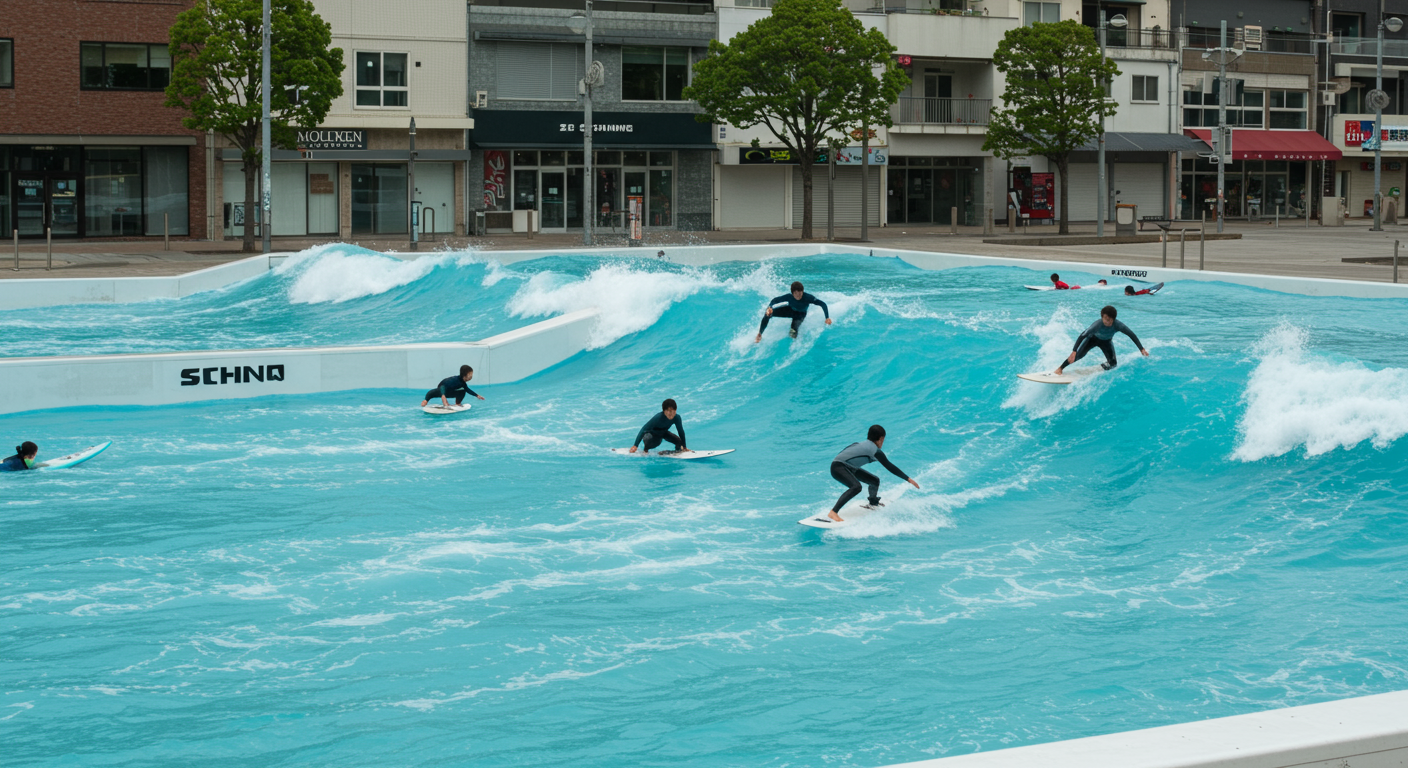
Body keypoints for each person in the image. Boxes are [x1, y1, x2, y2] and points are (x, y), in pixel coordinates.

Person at [826, 425, 920, 522]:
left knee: (874, 480)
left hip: (844, 466)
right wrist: (908, 479)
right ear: (881, 438)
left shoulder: (861, 444)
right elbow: (890, 466)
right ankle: (833, 512)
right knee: (856, 487)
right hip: (839, 467)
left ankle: (873, 503)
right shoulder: (875, 450)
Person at [1055, 305, 1149, 375]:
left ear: (1114, 319)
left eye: (1110, 320)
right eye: (1105, 319)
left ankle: (1101, 367)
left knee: (1113, 364)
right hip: (1092, 339)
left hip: (1106, 341)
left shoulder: (1118, 325)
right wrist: (1074, 351)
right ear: (1102, 317)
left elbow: (1131, 334)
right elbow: (1082, 335)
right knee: (1078, 356)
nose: (1107, 322)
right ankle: (1060, 368)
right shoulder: (1097, 325)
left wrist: (1141, 349)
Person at [755, 281, 832, 342]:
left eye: (800, 293)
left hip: (800, 315)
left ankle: (792, 343)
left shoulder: (808, 297)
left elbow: (823, 304)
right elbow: (774, 300)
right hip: (789, 310)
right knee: (767, 314)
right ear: (792, 293)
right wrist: (770, 307)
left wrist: (827, 317)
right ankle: (760, 334)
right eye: (796, 294)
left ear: (803, 291)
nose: (798, 296)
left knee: (792, 332)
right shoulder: (789, 297)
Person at [421, 365, 485, 408]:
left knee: (463, 391)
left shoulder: (462, 383)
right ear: (464, 375)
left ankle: (457, 404)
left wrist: (477, 395)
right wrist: (443, 396)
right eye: (469, 375)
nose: (471, 377)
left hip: (448, 392)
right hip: (441, 390)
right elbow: (442, 386)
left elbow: (467, 389)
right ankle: (426, 400)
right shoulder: (454, 381)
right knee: (433, 392)